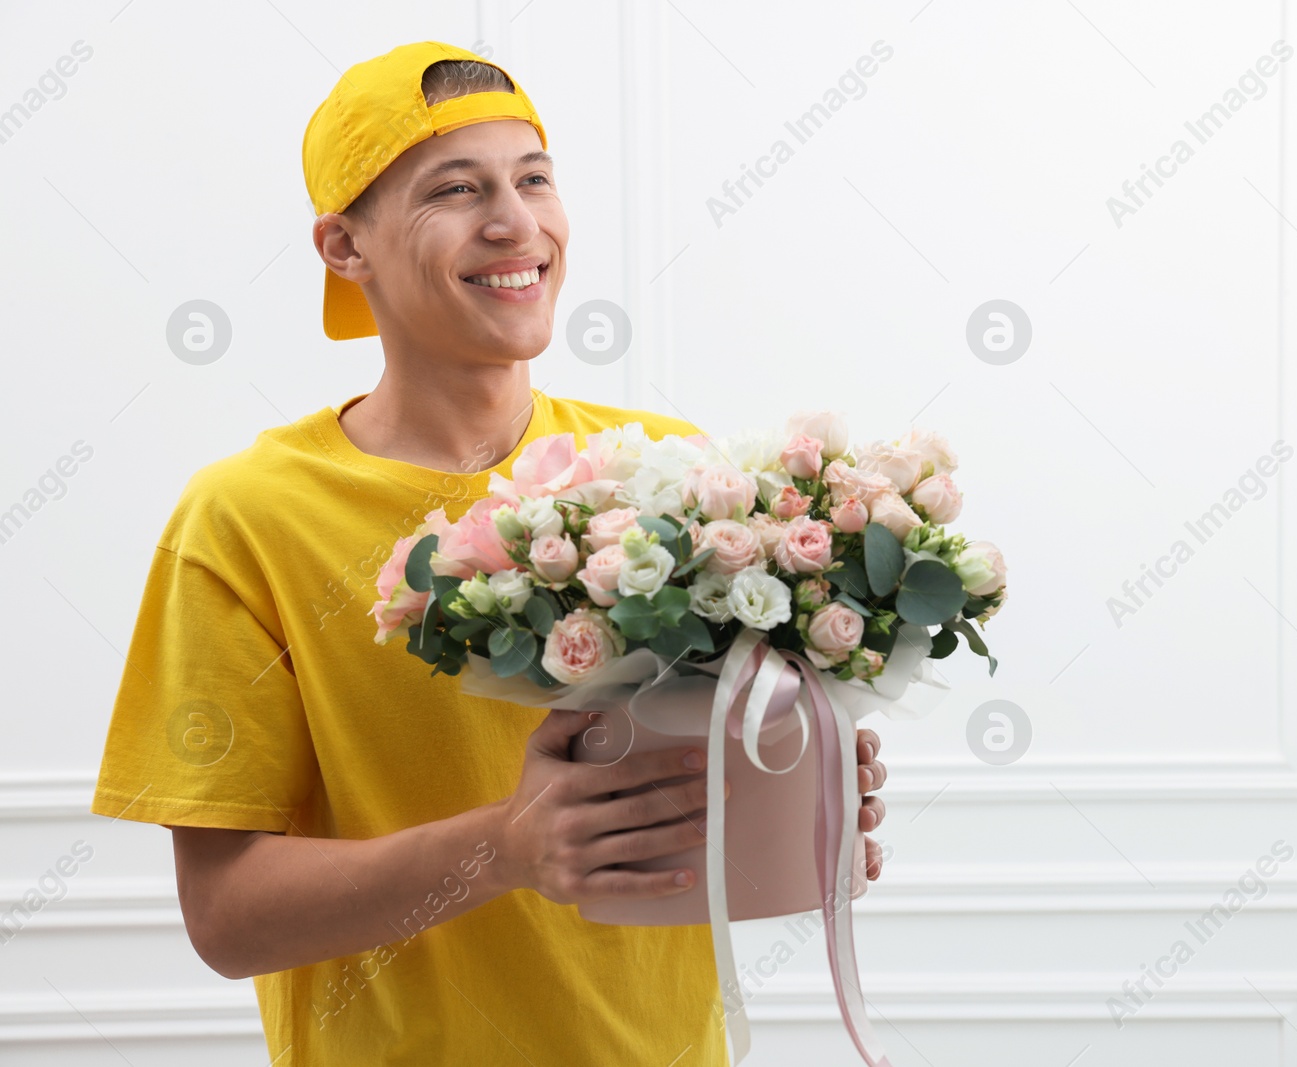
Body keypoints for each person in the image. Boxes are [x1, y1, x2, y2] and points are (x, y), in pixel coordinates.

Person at [89, 40, 888, 1066]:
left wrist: (804, 781)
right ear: (344, 247)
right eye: (456, 191)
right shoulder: (246, 518)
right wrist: (504, 849)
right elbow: (227, 917)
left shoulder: (661, 469)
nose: (516, 223)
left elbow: (687, 811)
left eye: (534, 178)